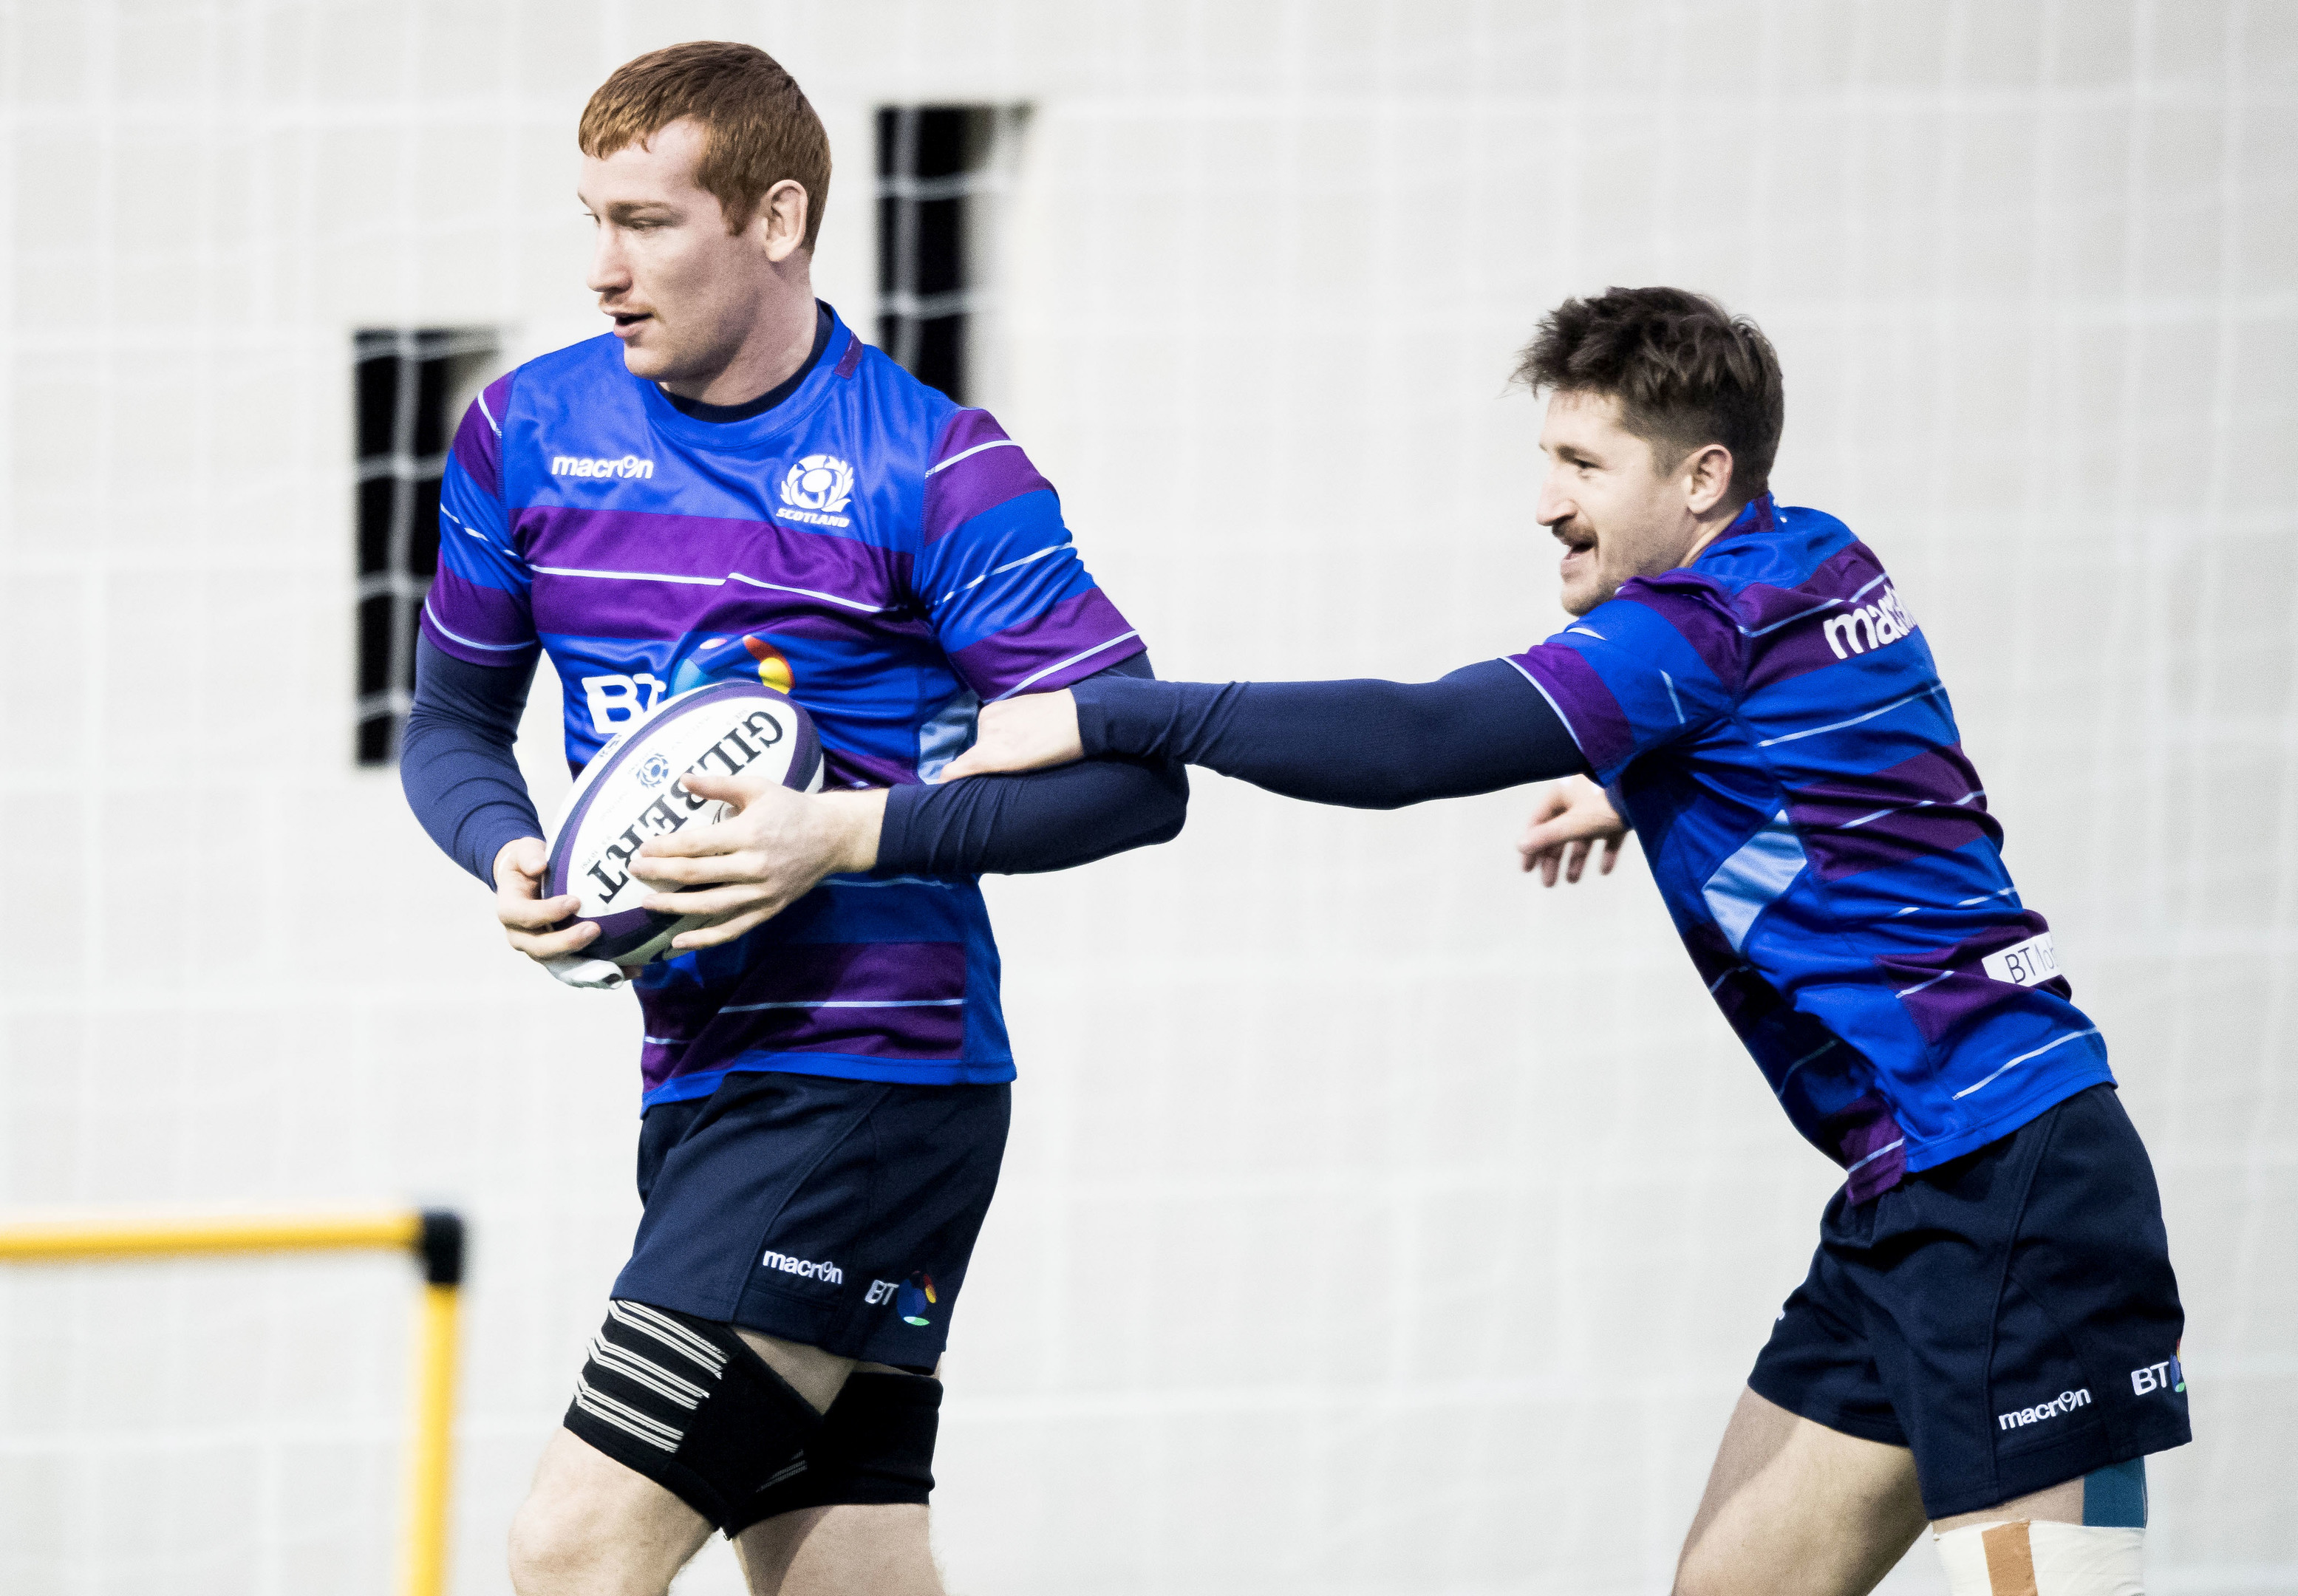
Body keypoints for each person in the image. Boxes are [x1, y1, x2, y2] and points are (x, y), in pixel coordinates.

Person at [924, 287, 2188, 1596]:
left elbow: (1419, 741)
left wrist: (1117, 716)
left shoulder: (1703, 628)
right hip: (1904, 1195)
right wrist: (1640, 782)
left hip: (2014, 1179)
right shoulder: (1812, 558)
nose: (1544, 501)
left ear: (1702, 478)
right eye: (1546, 458)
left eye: (1583, 465)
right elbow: (1836, 750)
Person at [398, 41, 1184, 1596]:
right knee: (845, 1572)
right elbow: (450, 723)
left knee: (571, 1551)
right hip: (698, 1075)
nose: (602, 269)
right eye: (591, 218)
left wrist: (845, 833)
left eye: (646, 222)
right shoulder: (526, 433)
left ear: (773, 219)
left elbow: (1132, 776)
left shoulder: (935, 468)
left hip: (868, 1084)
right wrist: (506, 847)